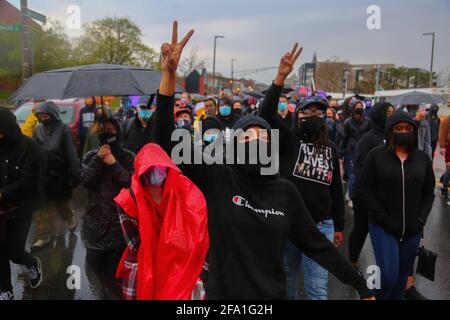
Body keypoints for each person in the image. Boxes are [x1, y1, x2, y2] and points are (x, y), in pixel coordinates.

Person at [152, 21, 374, 300]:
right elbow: (166, 140)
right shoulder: (218, 177)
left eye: (262, 137)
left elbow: (318, 246)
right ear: (234, 145)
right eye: (246, 136)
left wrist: (361, 285)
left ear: (271, 146)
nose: (255, 141)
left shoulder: (285, 193)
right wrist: (169, 76)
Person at [260, 86, 346, 299]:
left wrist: (339, 225)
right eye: (306, 112)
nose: (313, 117)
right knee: (287, 282)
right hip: (290, 226)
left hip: (321, 226)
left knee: (318, 288)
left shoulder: (331, 149)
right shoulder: (288, 140)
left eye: (318, 113)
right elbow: (266, 113)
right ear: (296, 116)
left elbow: (335, 188)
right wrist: (279, 79)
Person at [114, 144, 209, 300]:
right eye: (148, 171)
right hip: (147, 264)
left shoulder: (185, 191)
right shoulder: (130, 200)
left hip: (182, 266)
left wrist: (198, 272)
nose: (155, 175)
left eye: (160, 169)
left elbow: (201, 236)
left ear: (168, 170)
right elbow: (136, 245)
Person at [360, 109, 435, 300]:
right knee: (388, 275)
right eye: (399, 128)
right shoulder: (376, 156)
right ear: (390, 131)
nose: (403, 132)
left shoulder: (422, 159)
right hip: (383, 227)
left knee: (401, 279)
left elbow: (428, 193)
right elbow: (365, 190)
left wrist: (421, 220)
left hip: (412, 229)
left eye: (407, 128)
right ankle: (373, 297)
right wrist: (383, 218)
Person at [81, 118, 135, 297]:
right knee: (97, 266)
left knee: (116, 274)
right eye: (103, 131)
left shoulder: (128, 156)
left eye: (111, 131)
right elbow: (85, 181)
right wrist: (98, 159)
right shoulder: (91, 156)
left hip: (120, 225)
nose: (107, 134)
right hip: (95, 224)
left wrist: (113, 163)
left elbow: (130, 184)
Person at [0, 108, 44, 300]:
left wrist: (3, 194)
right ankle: (5, 290)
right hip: (1, 210)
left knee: (14, 251)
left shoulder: (30, 147)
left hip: (21, 208)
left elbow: (29, 180)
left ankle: (32, 264)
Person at [349, 102, 395, 269]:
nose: (392, 115)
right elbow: (359, 167)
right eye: (388, 112)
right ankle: (352, 262)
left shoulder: (394, 136)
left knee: (386, 231)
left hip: (387, 198)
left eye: (393, 111)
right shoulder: (368, 139)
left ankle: (388, 268)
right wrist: (369, 194)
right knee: (361, 229)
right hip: (365, 197)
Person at [31, 101, 80, 251]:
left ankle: (69, 216)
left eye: (46, 114)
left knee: (61, 203)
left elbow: (71, 153)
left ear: (53, 114)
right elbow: (34, 151)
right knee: (39, 207)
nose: (43, 117)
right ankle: (43, 236)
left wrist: (75, 174)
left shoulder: (64, 129)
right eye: (40, 115)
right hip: (42, 175)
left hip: (59, 175)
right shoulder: (37, 129)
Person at [342, 100, 371, 207]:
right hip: (351, 150)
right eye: (357, 106)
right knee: (352, 175)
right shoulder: (348, 122)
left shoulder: (368, 121)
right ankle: (351, 196)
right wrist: (342, 152)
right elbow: (344, 138)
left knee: (361, 174)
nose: (359, 107)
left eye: (360, 106)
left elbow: (369, 135)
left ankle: (353, 193)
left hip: (364, 150)